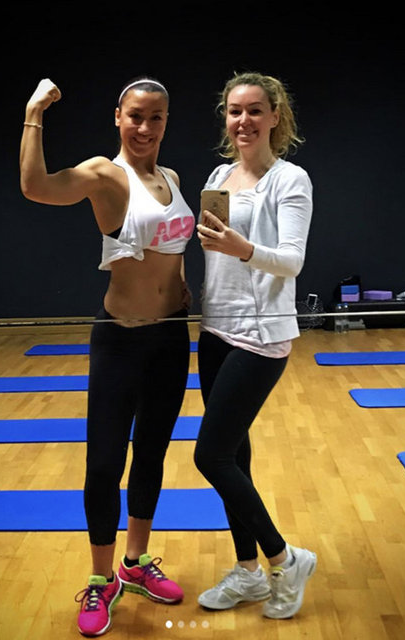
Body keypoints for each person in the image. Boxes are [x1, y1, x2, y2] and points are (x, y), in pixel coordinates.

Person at [20, 76, 195, 637]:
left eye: (156, 117)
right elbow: (35, 187)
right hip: (120, 339)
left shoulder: (173, 179)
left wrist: (185, 289)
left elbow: (173, 254)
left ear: (166, 122)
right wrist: (35, 112)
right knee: (103, 464)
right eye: (135, 116)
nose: (145, 127)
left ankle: (136, 564)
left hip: (171, 338)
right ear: (118, 116)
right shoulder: (105, 174)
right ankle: (101, 580)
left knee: (152, 455)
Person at [194, 71, 316, 620]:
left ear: (274, 117)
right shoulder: (219, 175)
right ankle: (248, 572)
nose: (243, 120)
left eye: (254, 110)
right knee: (234, 456)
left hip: (262, 334)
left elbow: (292, 260)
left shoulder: (290, 180)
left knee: (210, 455)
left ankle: (286, 559)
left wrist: (243, 248)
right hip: (215, 329)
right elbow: (210, 248)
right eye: (234, 111)